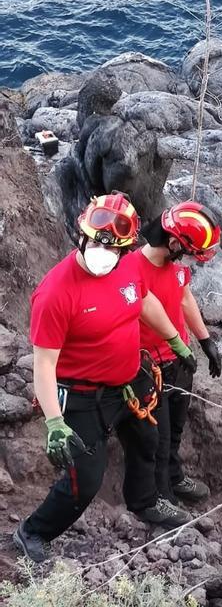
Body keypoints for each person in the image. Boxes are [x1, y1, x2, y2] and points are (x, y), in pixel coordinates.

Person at [13, 193, 197, 564]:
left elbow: (144, 302)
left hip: (129, 380)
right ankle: (32, 531)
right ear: (81, 236)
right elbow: (45, 364)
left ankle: (144, 502)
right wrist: (53, 421)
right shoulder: (55, 293)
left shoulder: (128, 266)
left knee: (149, 439)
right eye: (96, 242)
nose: (103, 251)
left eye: (112, 247)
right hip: (82, 395)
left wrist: (176, 341)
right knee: (85, 480)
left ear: (127, 248)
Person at [124, 200, 222, 506]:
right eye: (190, 252)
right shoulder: (131, 270)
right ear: (172, 243)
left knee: (176, 430)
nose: (192, 260)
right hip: (150, 369)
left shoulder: (175, 267)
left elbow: (184, 298)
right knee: (158, 438)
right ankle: (160, 498)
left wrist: (206, 341)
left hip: (181, 361)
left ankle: (173, 476)